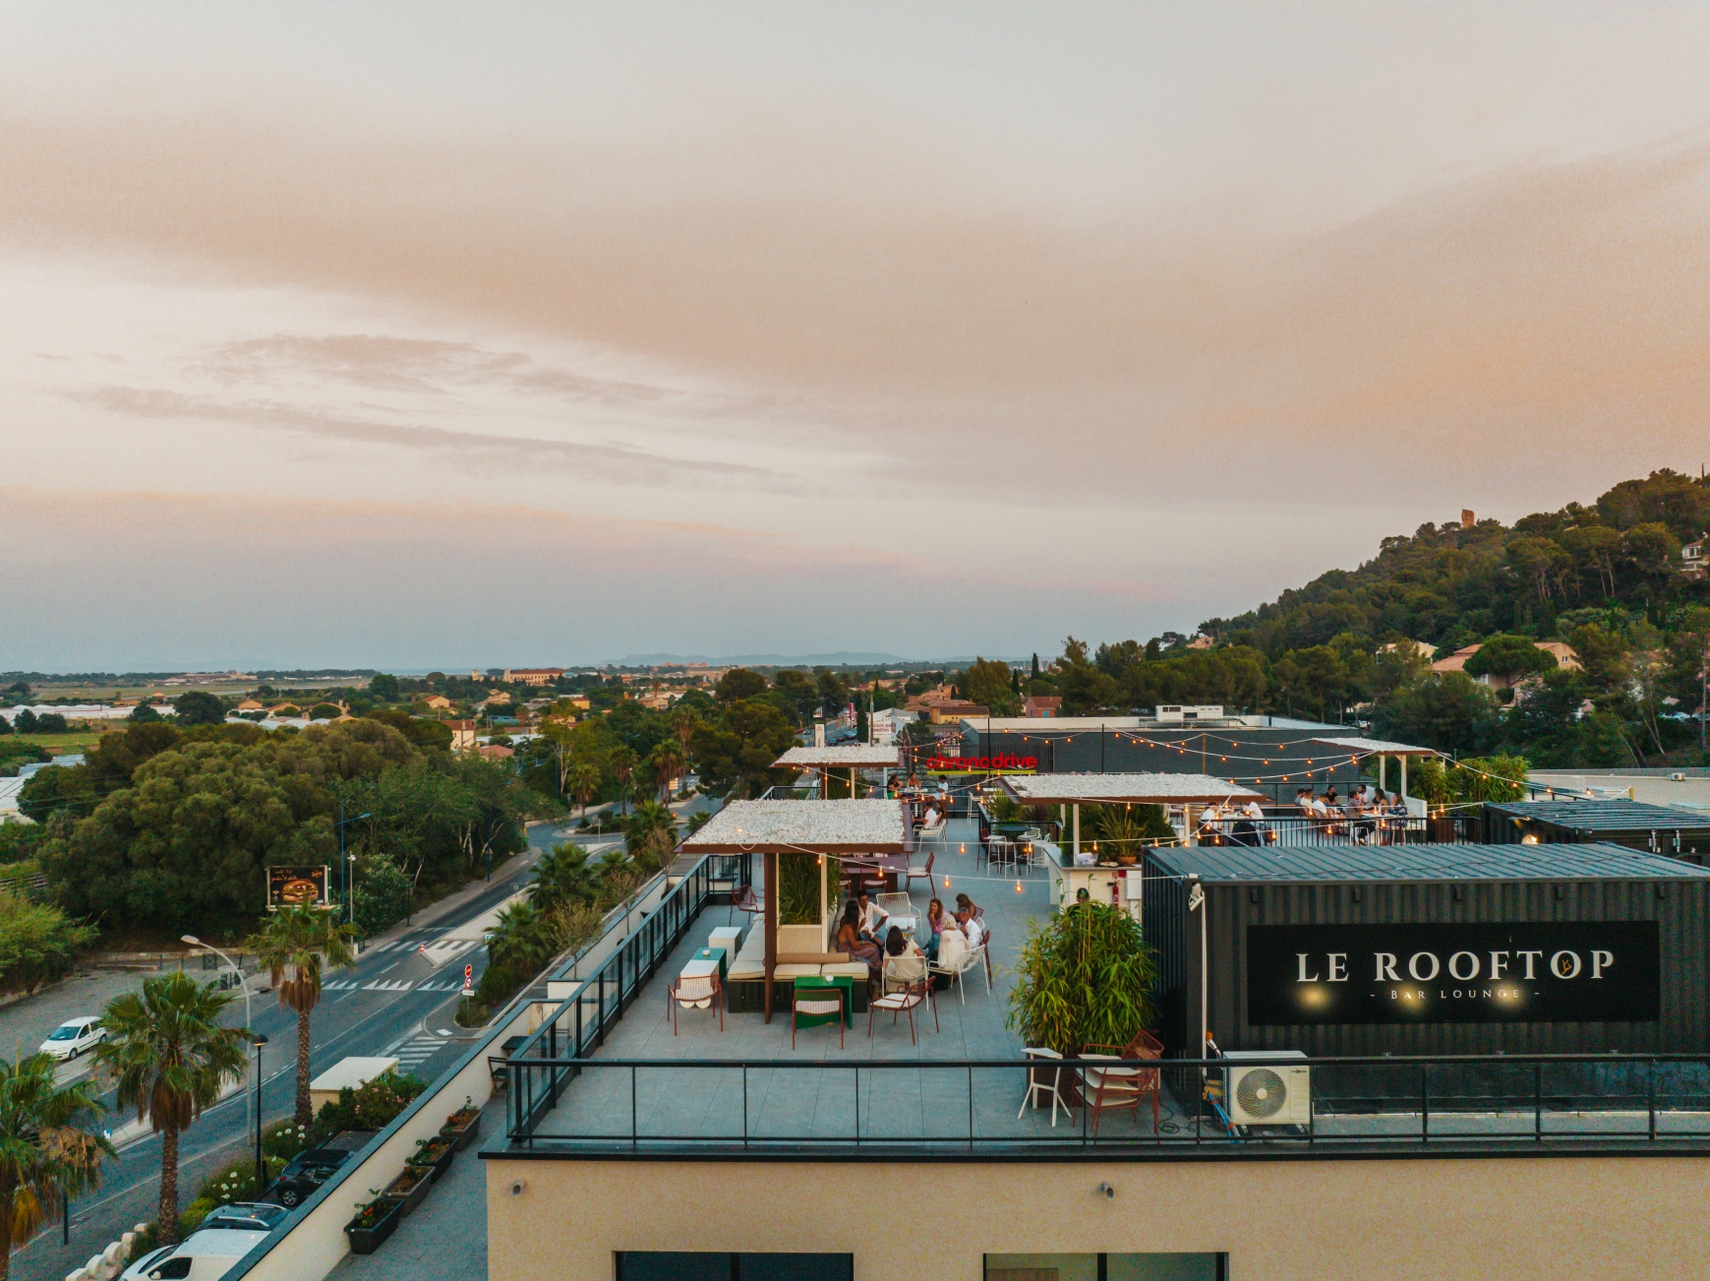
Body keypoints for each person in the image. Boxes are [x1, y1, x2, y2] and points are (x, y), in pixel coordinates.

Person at [835, 900, 883, 977]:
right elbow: (855, 946)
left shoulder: (849, 924)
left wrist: (864, 942)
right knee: (874, 950)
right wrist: (868, 946)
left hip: (849, 948)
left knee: (874, 948)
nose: (859, 914)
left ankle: (877, 968)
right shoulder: (848, 927)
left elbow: (854, 939)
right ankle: (877, 968)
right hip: (847, 952)